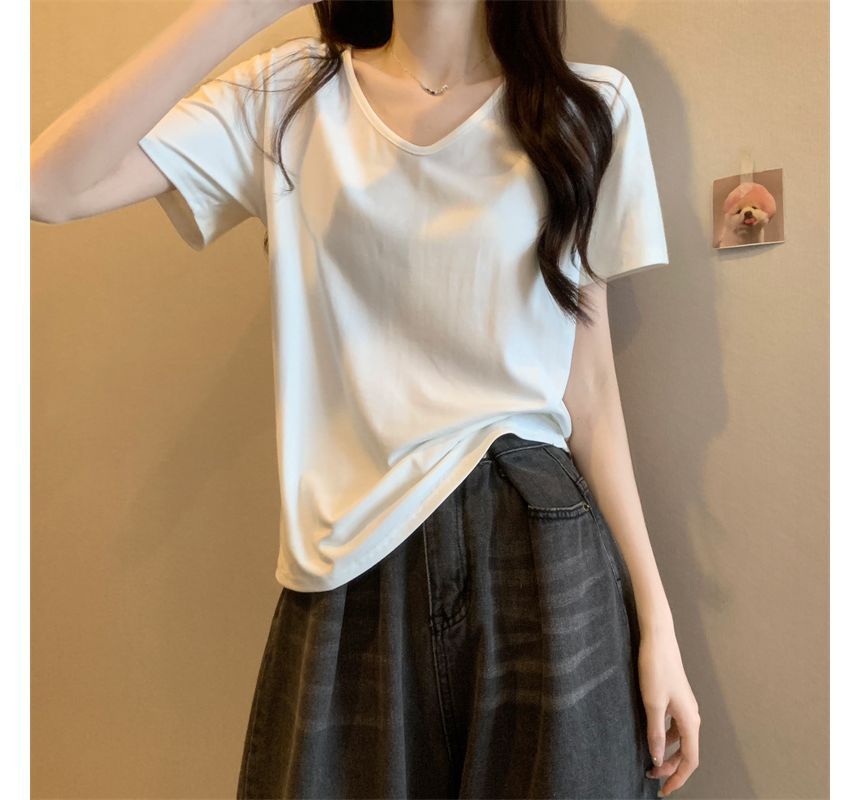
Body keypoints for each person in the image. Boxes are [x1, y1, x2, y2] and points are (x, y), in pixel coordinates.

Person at [30, 0, 701, 798]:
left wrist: (658, 624)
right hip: (350, 561)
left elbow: (589, 394)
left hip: (540, 543)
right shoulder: (287, 99)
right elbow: (46, 186)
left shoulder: (585, 109)